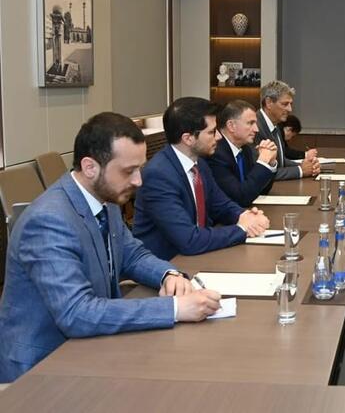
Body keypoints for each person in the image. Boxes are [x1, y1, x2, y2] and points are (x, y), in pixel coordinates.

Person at [0, 112, 222, 382]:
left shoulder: (105, 198)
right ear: (90, 167)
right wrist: (174, 309)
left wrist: (168, 274)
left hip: (90, 349)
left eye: (140, 168)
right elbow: (76, 313)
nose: (139, 181)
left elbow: (132, 254)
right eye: (129, 171)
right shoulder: (48, 221)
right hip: (41, 369)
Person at [133, 97, 270, 260]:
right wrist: (242, 229)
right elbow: (189, 240)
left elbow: (221, 205)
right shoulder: (158, 175)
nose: (219, 137)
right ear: (188, 138)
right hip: (170, 263)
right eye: (212, 132)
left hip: (199, 255)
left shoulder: (200, 164)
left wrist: (245, 215)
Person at [207, 100, 278, 208]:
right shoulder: (216, 153)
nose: (256, 129)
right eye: (250, 123)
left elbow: (260, 190)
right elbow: (241, 198)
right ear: (231, 126)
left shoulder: (245, 149)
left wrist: (270, 163)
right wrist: (263, 162)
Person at [255, 80, 320, 181]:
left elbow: (280, 161)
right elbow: (262, 172)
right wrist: (300, 170)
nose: (290, 109)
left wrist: (306, 166)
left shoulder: (276, 125)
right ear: (269, 103)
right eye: (285, 104)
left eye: (290, 104)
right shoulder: (255, 127)